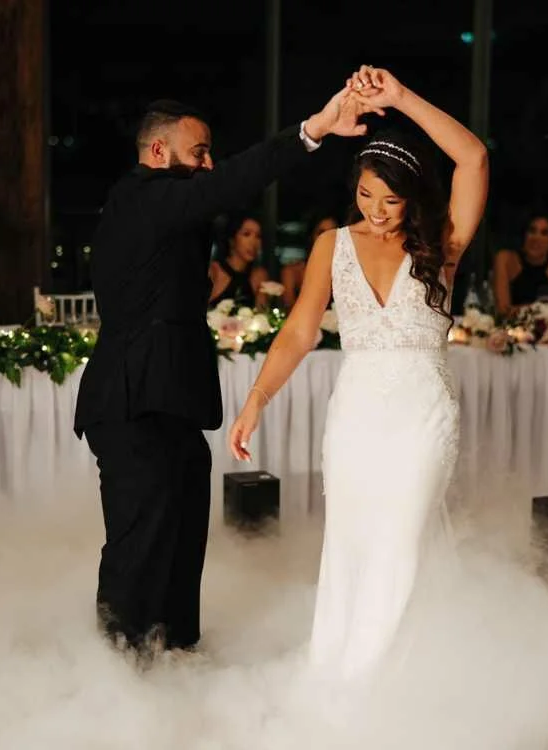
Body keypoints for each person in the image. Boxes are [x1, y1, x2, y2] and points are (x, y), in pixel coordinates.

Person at [73, 88, 375, 655]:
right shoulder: (141, 196)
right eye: (199, 152)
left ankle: (177, 655)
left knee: (182, 541)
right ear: (158, 152)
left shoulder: (166, 213)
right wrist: (313, 129)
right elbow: (231, 181)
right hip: (133, 405)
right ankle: (119, 670)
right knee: (139, 547)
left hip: (172, 406)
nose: (209, 164)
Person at [228, 65, 488, 680]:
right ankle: (339, 673)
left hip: (423, 415)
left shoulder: (443, 245)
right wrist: (257, 398)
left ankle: (372, 684)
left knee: (401, 541)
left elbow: (473, 158)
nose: (376, 210)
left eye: (391, 200)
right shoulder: (333, 245)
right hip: (356, 417)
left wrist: (400, 97)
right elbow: (300, 331)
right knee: (352, 545)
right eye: (367, 195)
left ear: (413, 198)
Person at [208, 213, 268, 310]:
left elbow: (262, 315)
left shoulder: (259, 276)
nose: (253, 243)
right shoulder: (214, 271)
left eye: (258, 236)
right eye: (246, 234)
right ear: (232, 239)